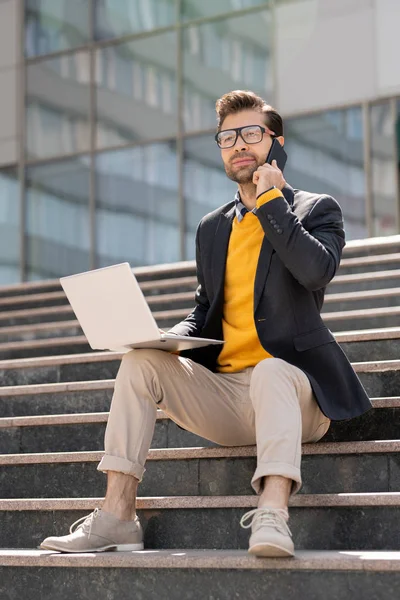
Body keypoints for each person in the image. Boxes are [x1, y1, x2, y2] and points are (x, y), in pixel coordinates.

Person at [40, 90, 371, 558]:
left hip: (297, 396)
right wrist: (161, 340)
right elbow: (205, 310)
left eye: (252, 134)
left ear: (276, 143)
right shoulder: (213, 227)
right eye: (227, 137)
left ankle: (273, 514)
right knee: (140, 363)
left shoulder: (315, 211)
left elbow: (316, 272)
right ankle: (117, 516)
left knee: (273, 369)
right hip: (228, 397)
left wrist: (271, 201)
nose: (239, 145)